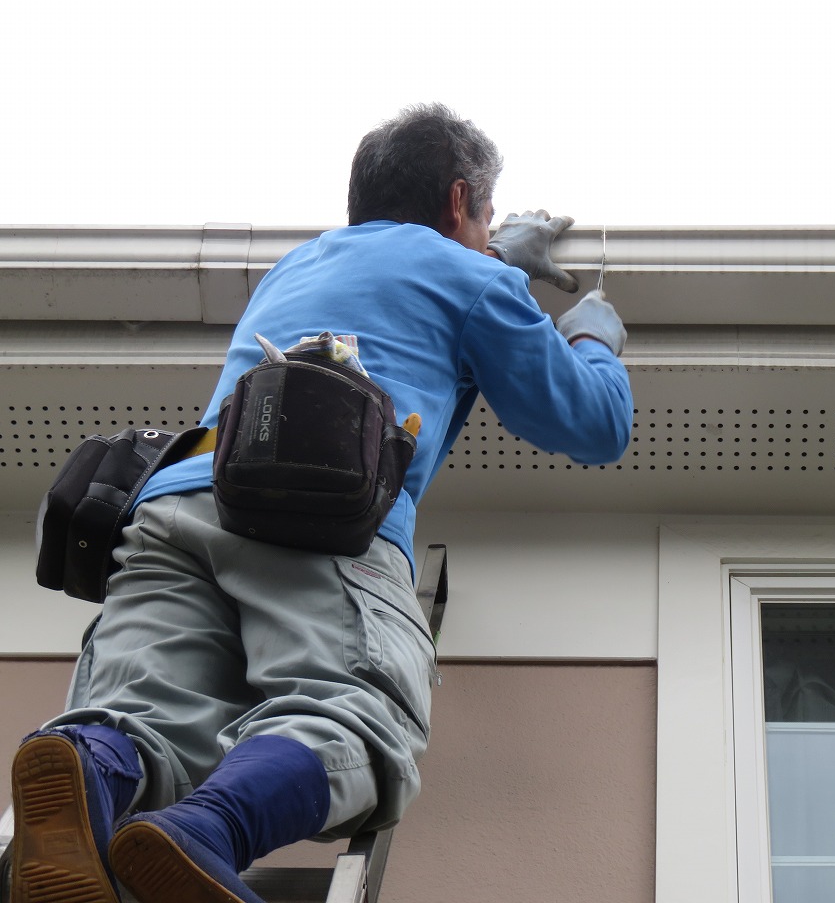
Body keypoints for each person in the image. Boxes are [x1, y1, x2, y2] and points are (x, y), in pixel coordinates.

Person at [7, 103, 632, 903]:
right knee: (354, 718)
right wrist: (592, 339)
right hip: (317, 510)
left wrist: (496, 254)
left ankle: (86, 768)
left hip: (174, 504)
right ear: (455, 199)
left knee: (147, 714)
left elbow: (401, 284)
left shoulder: (297, 266)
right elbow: (592, 423)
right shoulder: (469, 277)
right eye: (485, 209)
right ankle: (210, 830)